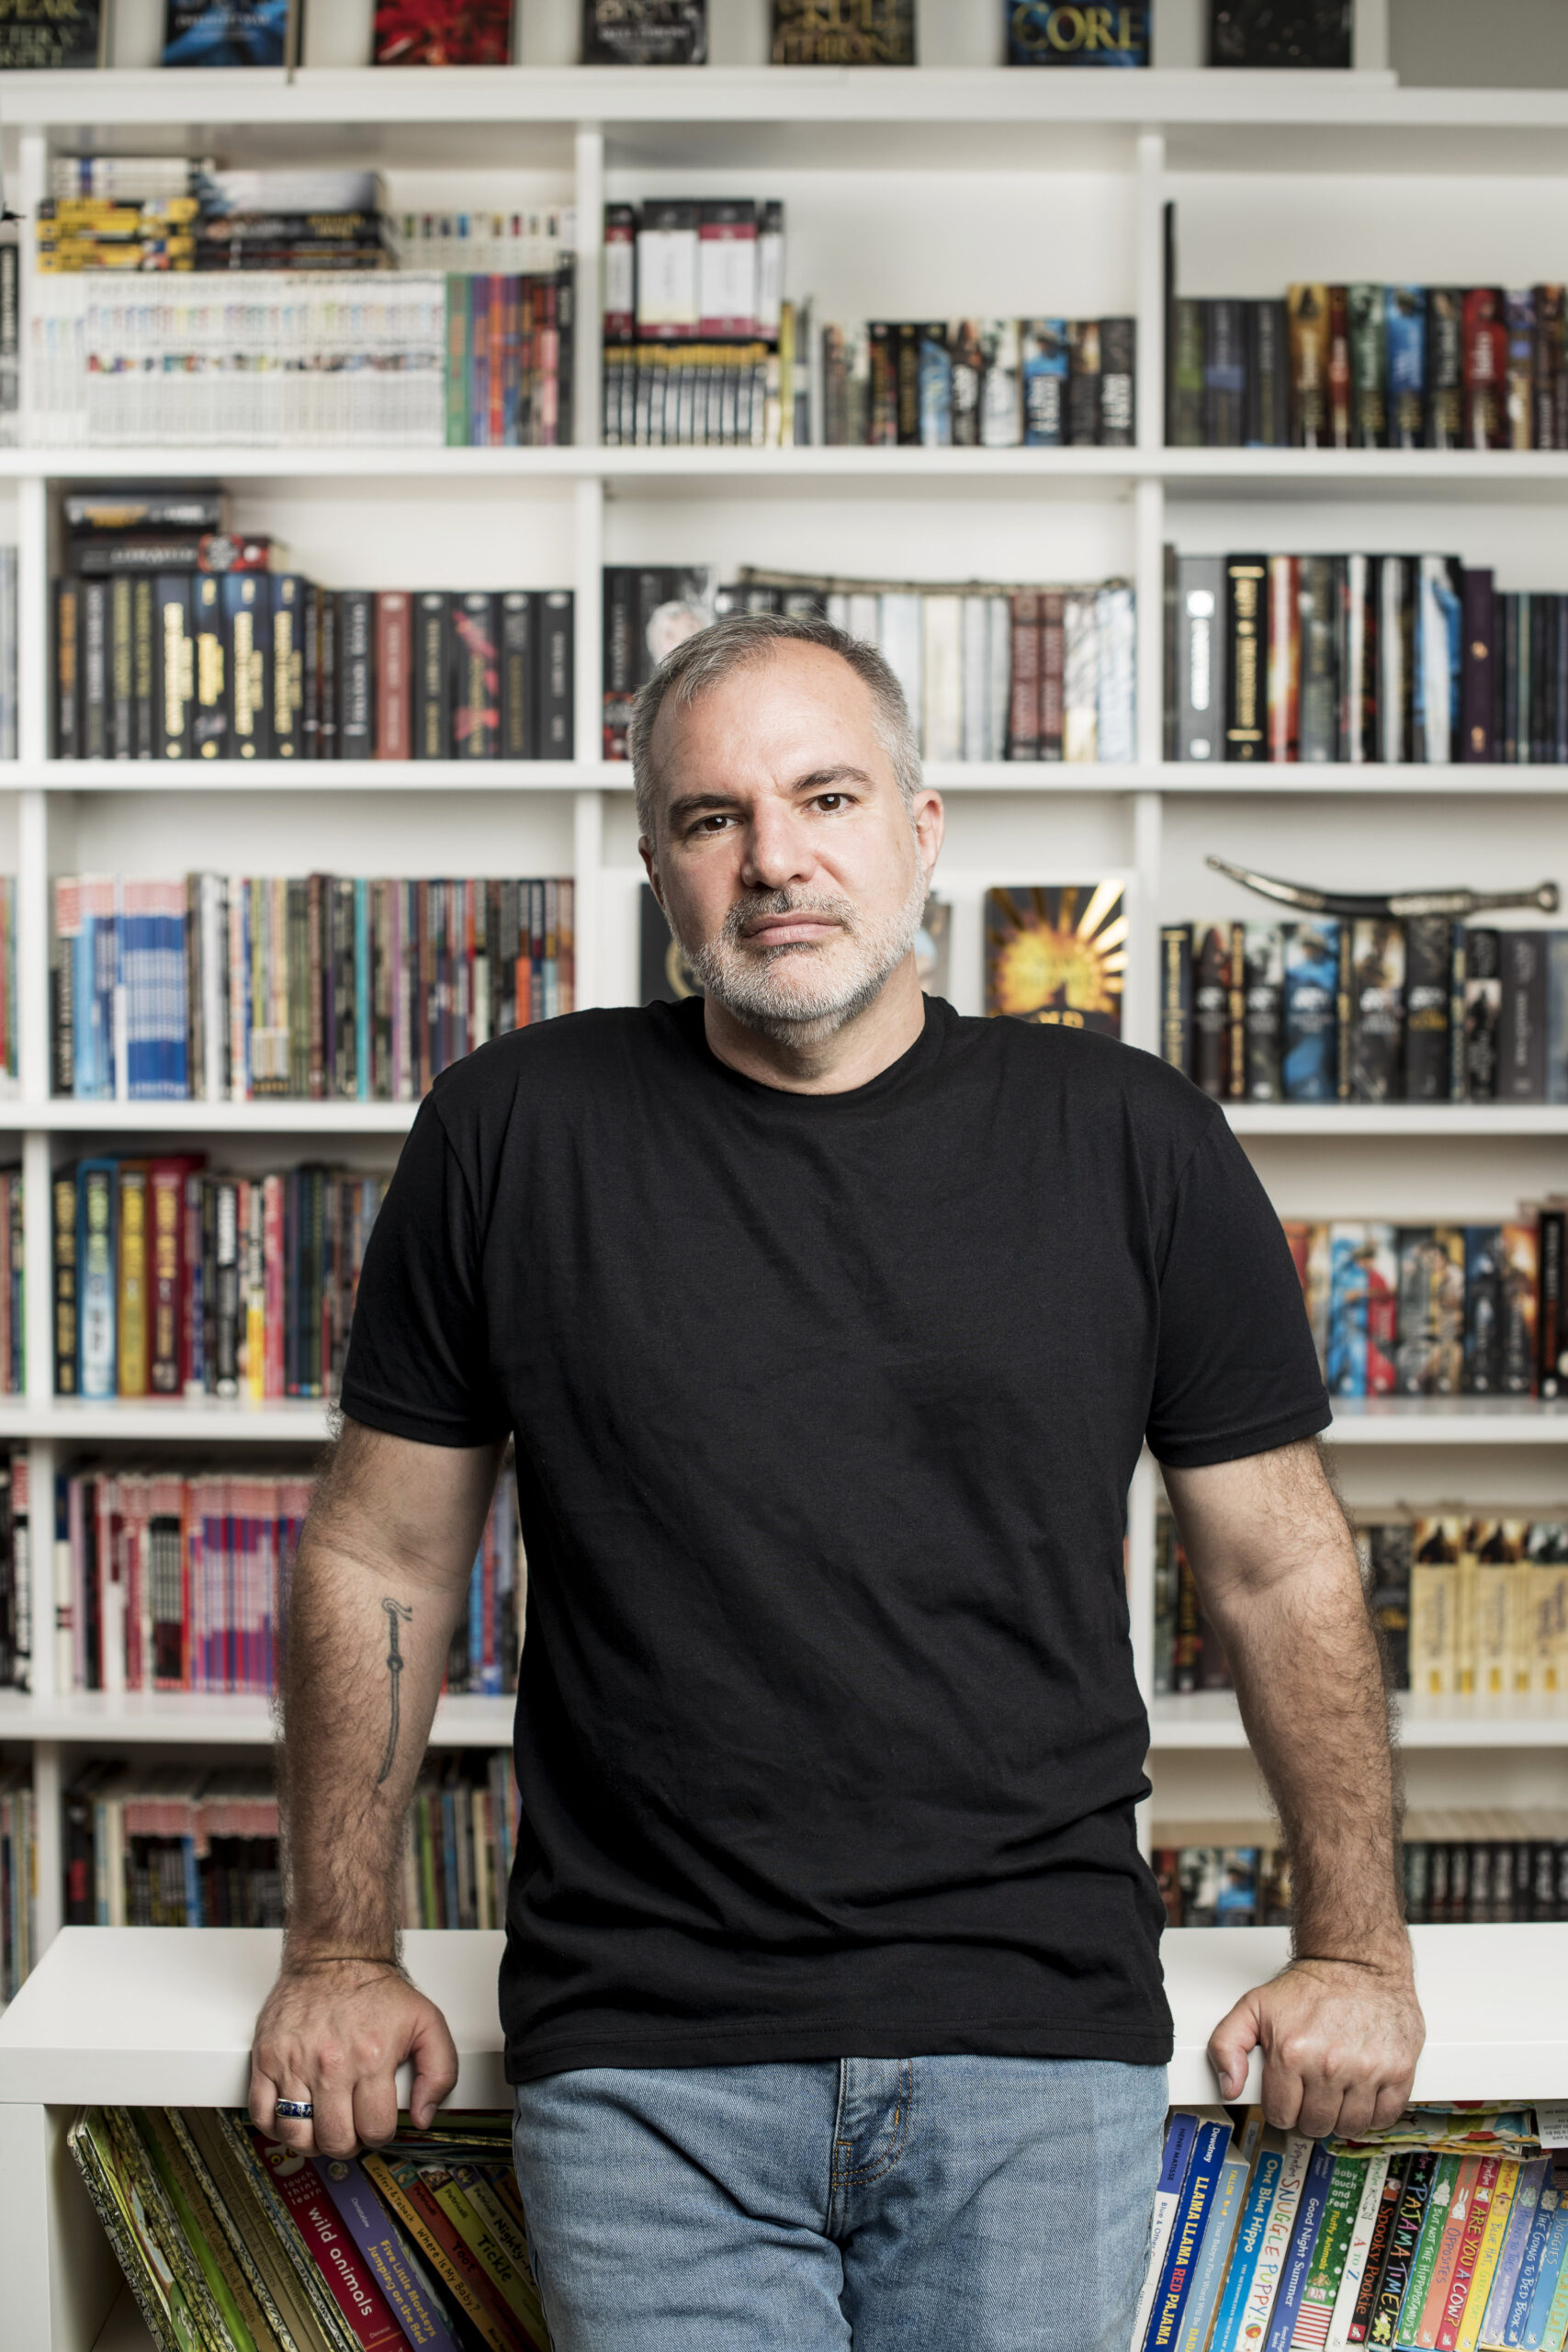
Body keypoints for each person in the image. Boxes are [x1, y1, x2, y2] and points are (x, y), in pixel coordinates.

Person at [250, 610, 1424, 2352]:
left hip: (1030, 2035)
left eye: (826, 796)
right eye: (714, 818)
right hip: (644, 2051)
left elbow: (1281, 1568)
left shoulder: (1132, 1134)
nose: (777, 860)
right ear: (656, 862)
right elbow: (377, 1559)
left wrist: (1359, 1950)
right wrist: (340, 1956)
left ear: (922, 828)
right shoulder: (512, 1128)